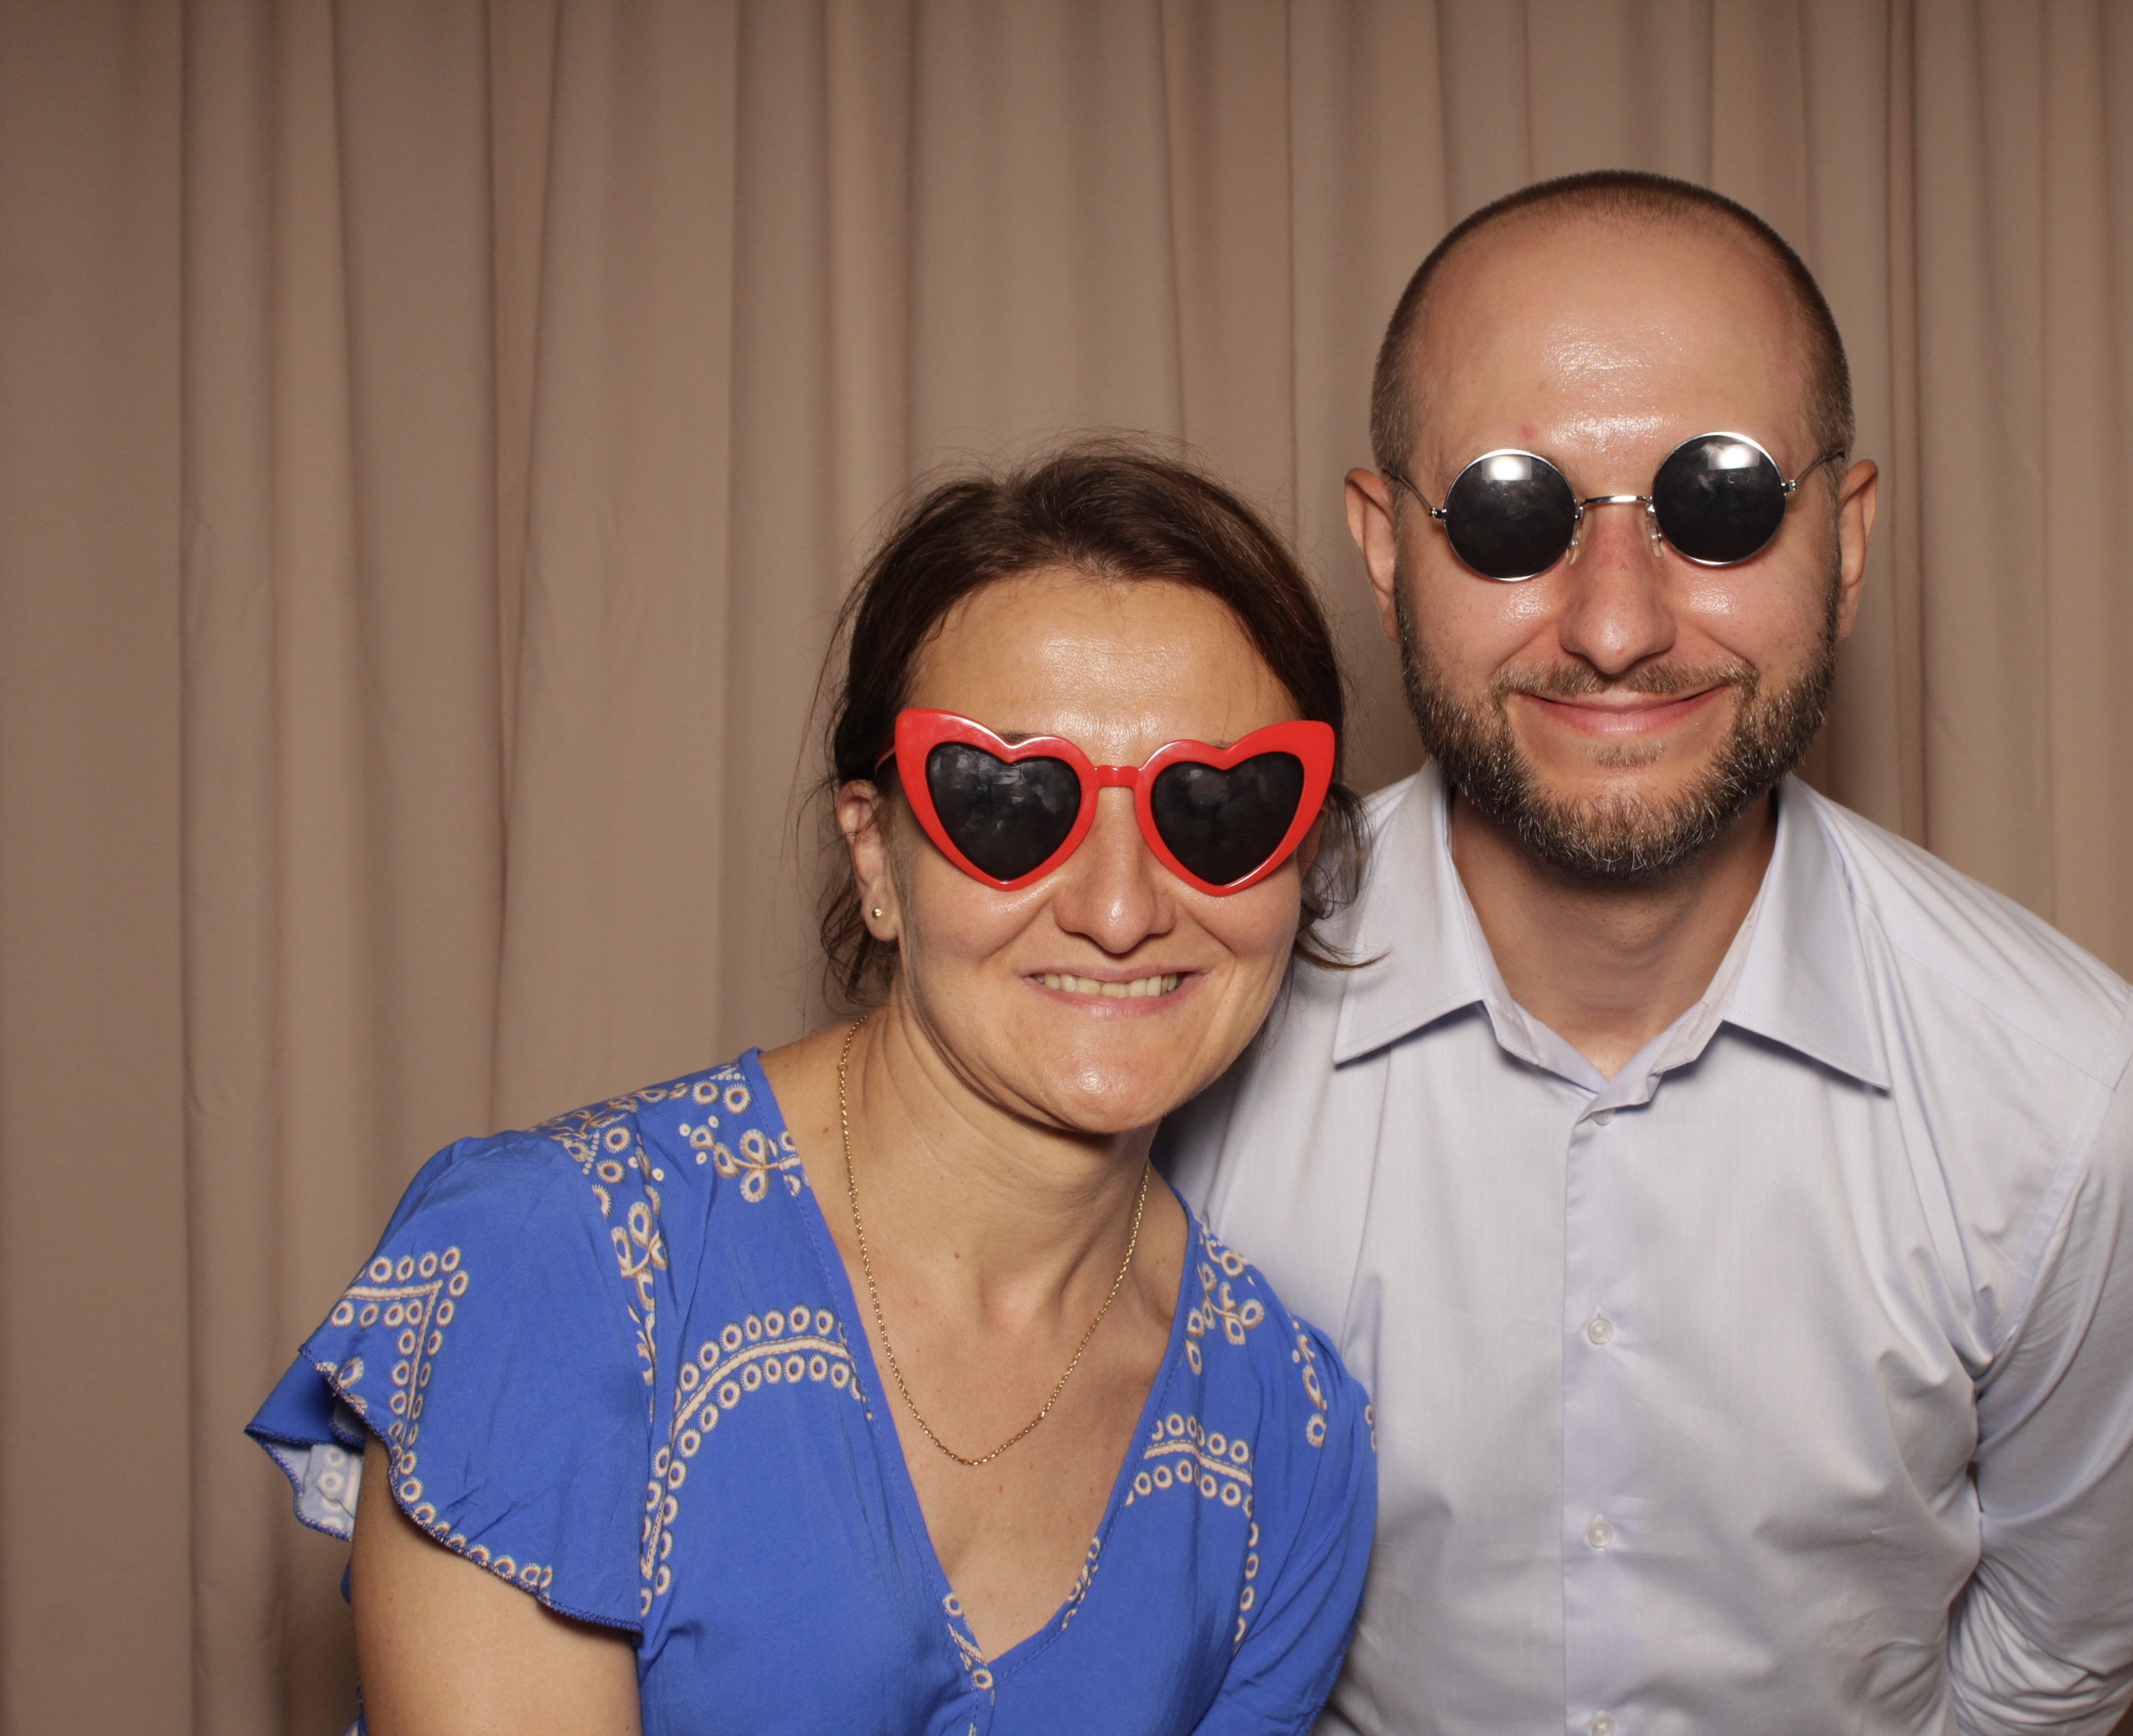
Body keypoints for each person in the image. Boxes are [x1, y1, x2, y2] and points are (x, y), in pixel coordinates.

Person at [1160, 171, 2133, 1735]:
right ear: (1386, 549)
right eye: (1514, 511)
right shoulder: (1176, 1026)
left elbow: (2057, 1653)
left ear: (1845, 541)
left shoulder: (2079, 1114)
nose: (1617, 627)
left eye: (1719, 500)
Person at [248, 445, 1378, 1735]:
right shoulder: (553, 1270)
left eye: (1221, 809)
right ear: (876, 859)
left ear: (1302, 862)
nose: (1120, 911)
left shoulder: (1289, 1435)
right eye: (1011, 805)